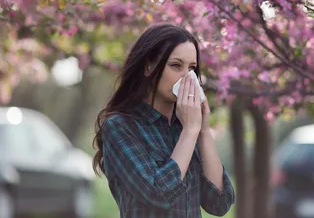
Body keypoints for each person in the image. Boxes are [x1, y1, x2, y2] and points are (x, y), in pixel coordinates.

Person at [92, 23, 235, 218]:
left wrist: (202, 131)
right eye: (176, 65)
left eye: (192, 68)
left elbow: (220, 203)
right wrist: (190, 132)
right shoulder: (121, 127)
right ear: (148, 66)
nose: (187, 78)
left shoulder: (185, 127)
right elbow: (158, 196)